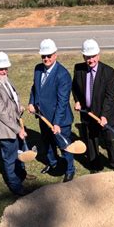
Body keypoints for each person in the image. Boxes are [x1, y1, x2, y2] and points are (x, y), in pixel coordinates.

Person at [0, 52, 35, 196]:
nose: (4, 71)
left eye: (6, 68)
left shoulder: (6, 79)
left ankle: (21, 175)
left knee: (19, 153)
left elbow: (13, 98)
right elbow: (1, 112)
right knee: (10, 158)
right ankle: (15, 185)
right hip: (6, 129)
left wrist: (18, 107)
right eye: (1, 68)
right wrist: (18, 129)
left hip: (15, 124)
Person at [28, 39, 75, 183]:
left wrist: (57, 123)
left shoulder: (63, 75)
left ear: (55, 55)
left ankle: (69, 170)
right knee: (47, 143)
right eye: (43, 56)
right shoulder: (37, 69)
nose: (46, 59)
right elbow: (35, 88)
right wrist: (32, 102)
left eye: (49, 55)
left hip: (59, 121)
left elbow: (62, 102)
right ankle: (53, 163)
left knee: (64, 146)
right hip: (43, 117)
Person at [72, 39, 114, 172]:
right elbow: (75, 88)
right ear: (83, 57)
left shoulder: (109, 72)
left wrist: (104, 115)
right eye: (88, 57)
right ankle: (95, 166)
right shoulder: (78, 69)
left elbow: (109, 97)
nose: (91, 60)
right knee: (91, 140)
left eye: (93, 56)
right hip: (88, 114)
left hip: (106, 114)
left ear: (98, 56)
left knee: (111, 141)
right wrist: (77, 100)